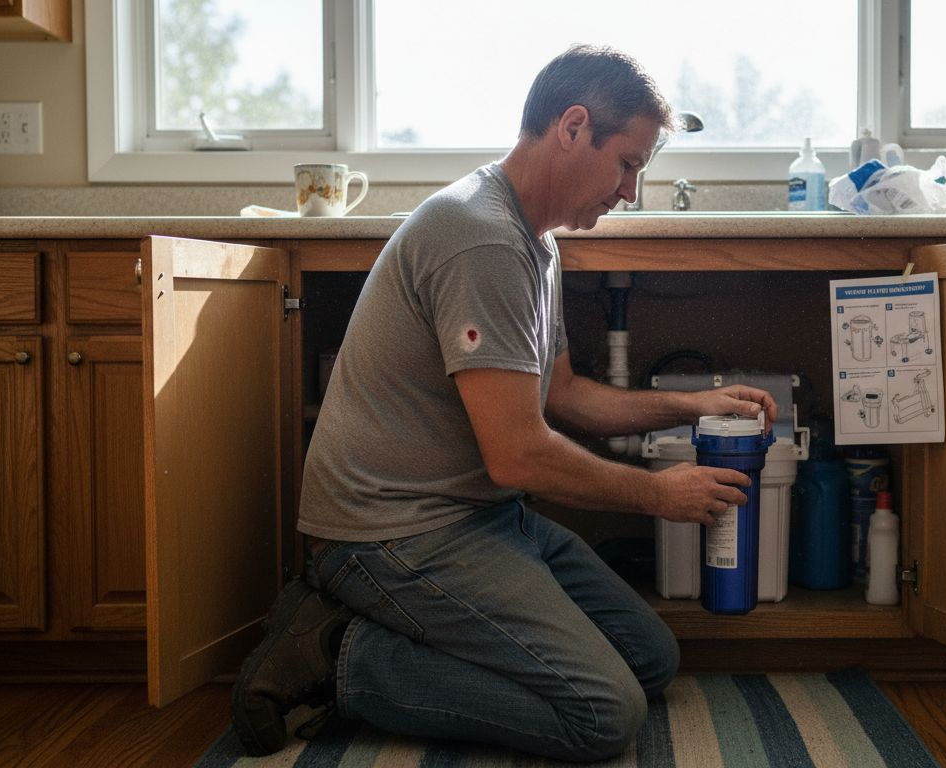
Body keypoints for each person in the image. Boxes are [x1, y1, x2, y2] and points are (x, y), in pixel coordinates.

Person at [231, 44, 778, 761]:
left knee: (651, 660)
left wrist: (692, 404)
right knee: (603, 713)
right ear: (573, 126)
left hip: (480, 516)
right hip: (389, 534)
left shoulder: (535, 242)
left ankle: (418, 635)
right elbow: (518, 452)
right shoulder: (481, 237)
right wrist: (657, 495)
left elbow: (565, 396)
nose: (630, 193)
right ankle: (336, 654)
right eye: (628, 163)